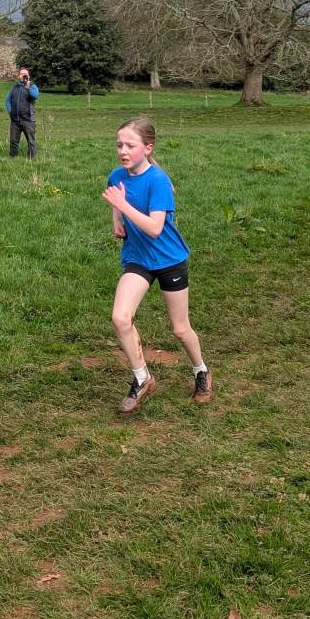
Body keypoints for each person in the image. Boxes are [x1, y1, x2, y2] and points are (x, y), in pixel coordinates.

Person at [103, 116, 211, 413]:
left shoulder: (158, 181)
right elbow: (116, 199)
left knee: (180, 328)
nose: (123, 151)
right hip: (138, 259)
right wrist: (116, 219)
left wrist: (123, 207)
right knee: (120, 318)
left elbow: (154, 228)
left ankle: (201, 371)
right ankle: (143, 378)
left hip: (169, 260)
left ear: (148, 148)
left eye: (130, 145)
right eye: (119, 145)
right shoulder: (117, 175)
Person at [5, 66, 39, 159]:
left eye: (25, 74)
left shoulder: (32, 86)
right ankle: (13, 158)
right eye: (21, 74)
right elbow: (7, 100)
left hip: (28, 119)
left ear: (28, 76)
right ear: (18, 76)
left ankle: (31, 159)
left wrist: (28, 87)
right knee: (13, 141)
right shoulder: (14, 87)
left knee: (31, 142)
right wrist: (11, 112)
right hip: (15, 120)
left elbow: (35, 95)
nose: (23, 75)